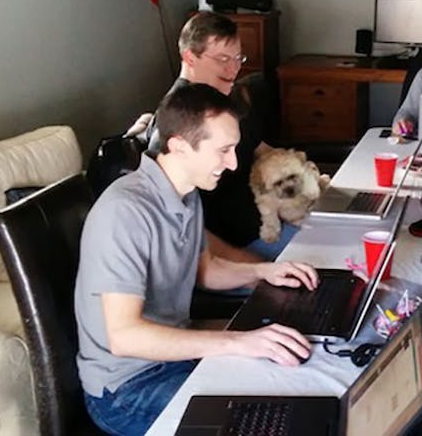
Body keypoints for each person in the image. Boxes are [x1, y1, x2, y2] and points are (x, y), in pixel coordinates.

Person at [75, 84, 320, 436]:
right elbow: (125, 337)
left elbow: (205, 269)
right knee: (266, 422)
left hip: (174, 355)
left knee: (294, 381)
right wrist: (238, 341)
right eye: (224, 150)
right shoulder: (124, 212)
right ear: (178, 146)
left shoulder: (186, 193)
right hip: (127, 388)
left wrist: (264, 271)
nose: (234, 163)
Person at [148, 11, 294, 263]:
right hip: (235, 249)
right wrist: (255, 267)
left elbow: (261, 150)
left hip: (267, 225)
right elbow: (178, 223)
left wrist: (311, 185)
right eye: (223, 59)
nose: (234, 68)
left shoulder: (227, 101)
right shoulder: (179, 118)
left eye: (238, 58)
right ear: (189, 58)